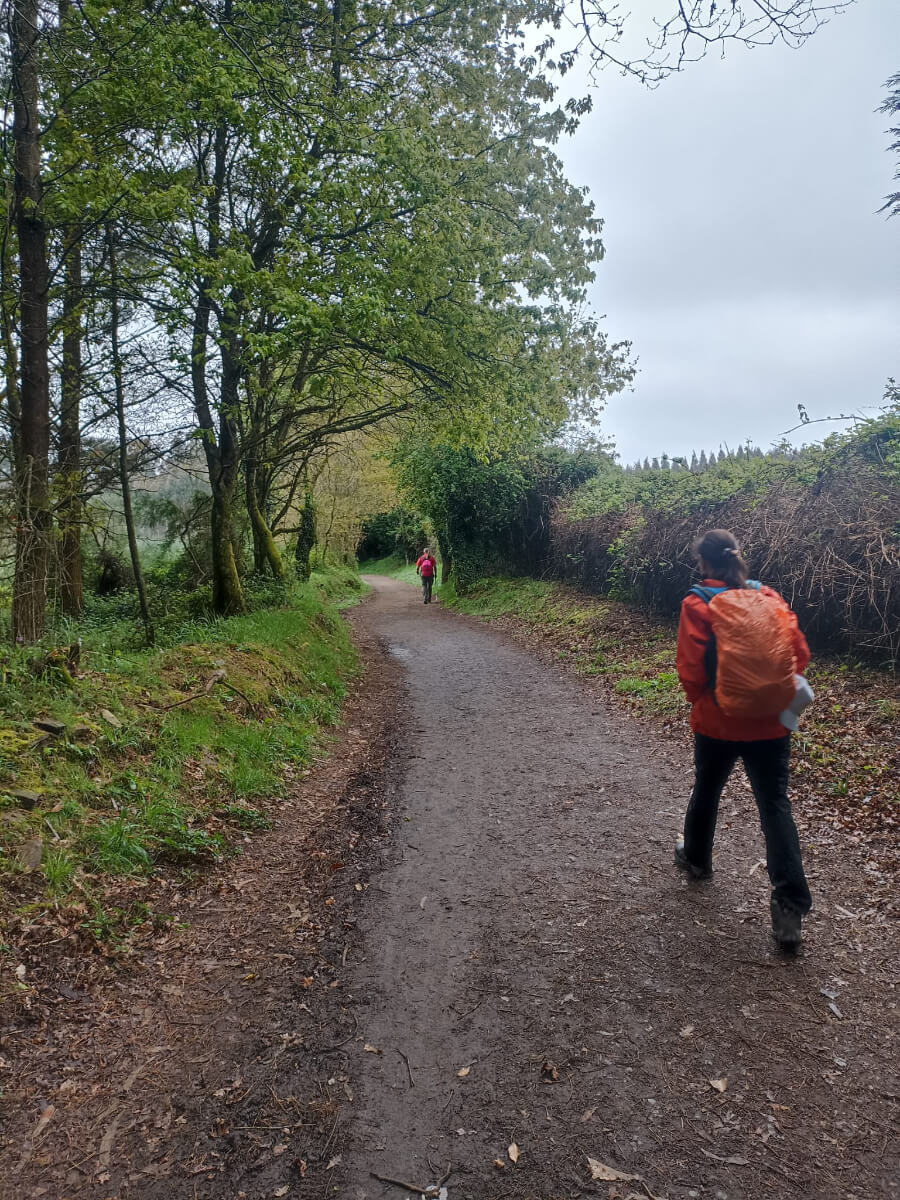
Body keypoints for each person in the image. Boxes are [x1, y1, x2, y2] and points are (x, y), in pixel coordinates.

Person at [674, 528, 812, 950]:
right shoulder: (769, 598)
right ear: (737, 559)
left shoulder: (697, 603)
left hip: (718, 721)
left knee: (708, 788)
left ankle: (696, 860)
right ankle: (788, 907)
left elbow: (691, 670)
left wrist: (706, 701)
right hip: (771, 724)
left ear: (703, 562)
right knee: (774, 805)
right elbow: (799, 655)